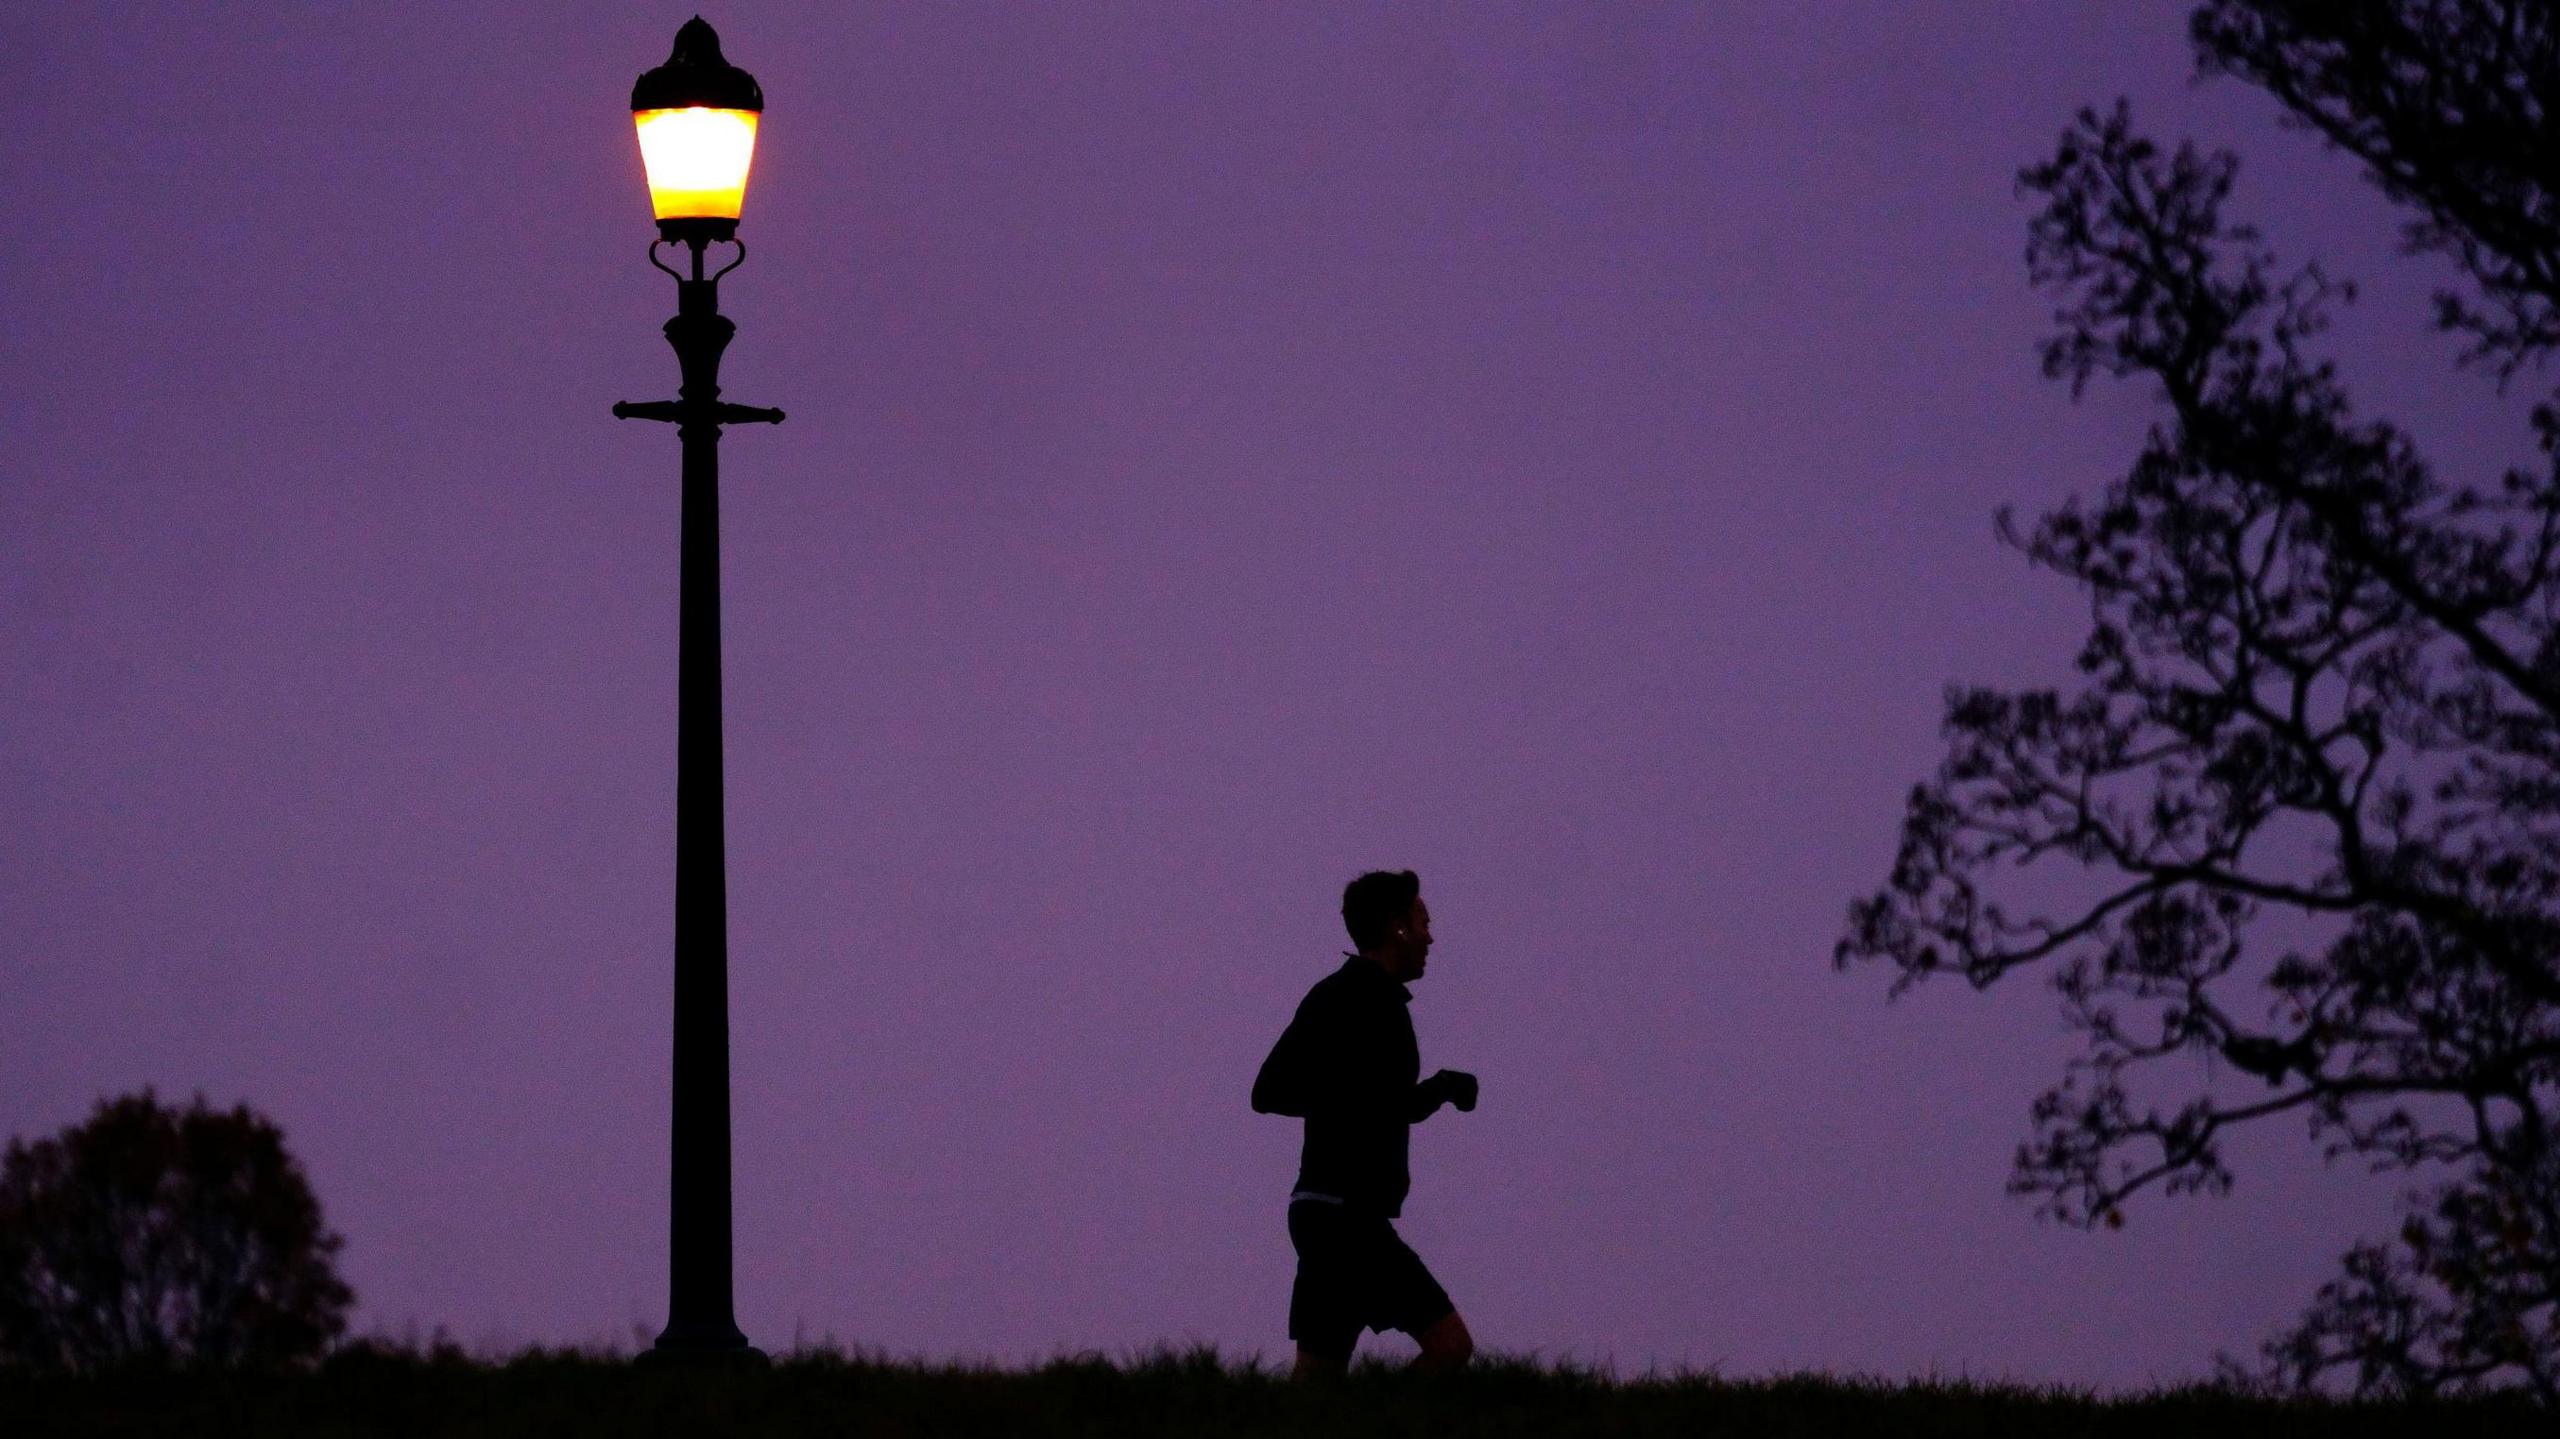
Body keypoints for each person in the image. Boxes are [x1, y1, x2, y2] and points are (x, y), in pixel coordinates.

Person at [1251, 868, 1478, 1379]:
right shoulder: (1359, 999)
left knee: (1317, 1385)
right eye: (1423, 922)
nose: (1430, 937)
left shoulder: (1349, 997)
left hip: (1322, 1216)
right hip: (1346, 1220)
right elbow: (1270, 1093)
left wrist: (1439, 1090)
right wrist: (1362, 1098)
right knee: (1450, 1347)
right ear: (1397, 928)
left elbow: (1377, 1104)